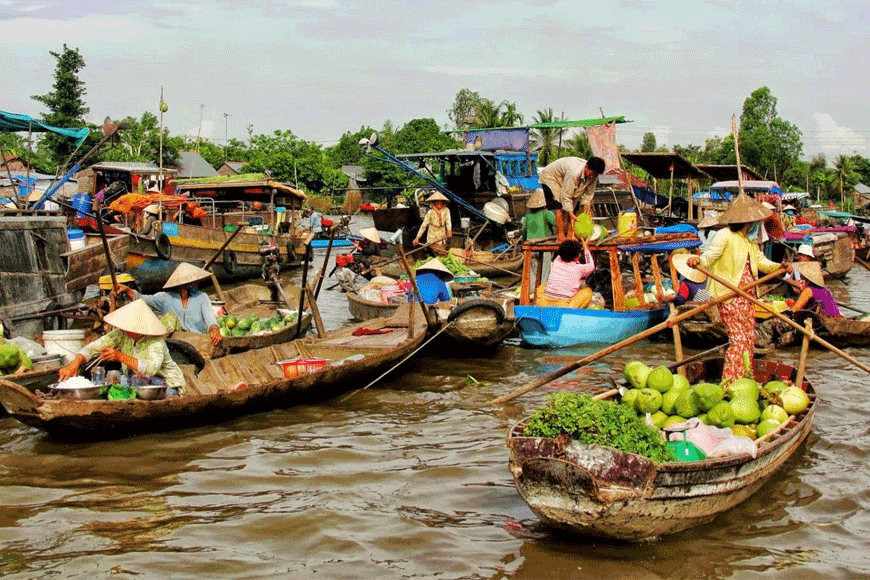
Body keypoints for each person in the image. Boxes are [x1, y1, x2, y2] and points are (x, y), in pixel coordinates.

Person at [686, 193, 792, 380]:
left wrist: (779, 267)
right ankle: (729, 382)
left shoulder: (750, 242)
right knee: (738, 341)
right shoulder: (724, 235)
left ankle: (744, 378)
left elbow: (762, 263)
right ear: (748, 221)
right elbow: (710, 257)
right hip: (729, 295)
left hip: (747, 297)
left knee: (749, 339)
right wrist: (698, 260)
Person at [58, 299, 186, 395]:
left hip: (166, 384)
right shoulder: (121, 334)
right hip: (138, 382)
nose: (124, 329)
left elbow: (150, 369)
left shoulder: (156, 342)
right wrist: (75, 363)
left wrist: (119, 356)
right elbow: (93, 347)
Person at [115, 263, 221, 346]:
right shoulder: (165, 298)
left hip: (199, 340)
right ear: (182, 285)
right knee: (169, 318)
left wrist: (214, 330)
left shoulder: (202, 297)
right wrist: (128, 290)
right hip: (175, 341)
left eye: (196, 281)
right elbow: (143, 299)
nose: (196, 284)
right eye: (192, 282)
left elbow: (210, 319)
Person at [538, 156, 606, 242]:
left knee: (575, 205)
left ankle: (571, 234)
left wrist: (586, 211)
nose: (592, 177)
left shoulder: (594, 176)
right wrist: (570, 212)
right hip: (551, 177)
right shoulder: (574, 172)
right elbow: (567, 196)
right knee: (559, 206)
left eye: (595, 175)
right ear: (586, 167)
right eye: (592, 173)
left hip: (564, 179)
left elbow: (588, 195)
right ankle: (560, 236)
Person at [535, 239, 595, 308]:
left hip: (544, 302)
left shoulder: (556, 261)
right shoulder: (579, 268)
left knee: (542, 287)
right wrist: (586, 249)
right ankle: (570, 310)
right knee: (588, 291)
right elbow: (591, 266)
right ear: (576, 258)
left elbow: (564, 251)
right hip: (563, 305)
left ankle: (538, 305)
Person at [521, 188, 557, 282]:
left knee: (533, 271)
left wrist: (523, 243)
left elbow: (524, 230)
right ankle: (542, 291)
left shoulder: (528, 214)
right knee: (544, 271)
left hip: (531, 246)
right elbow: (556, 223)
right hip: (544, 246)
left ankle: (532, 292)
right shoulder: (546, 212)